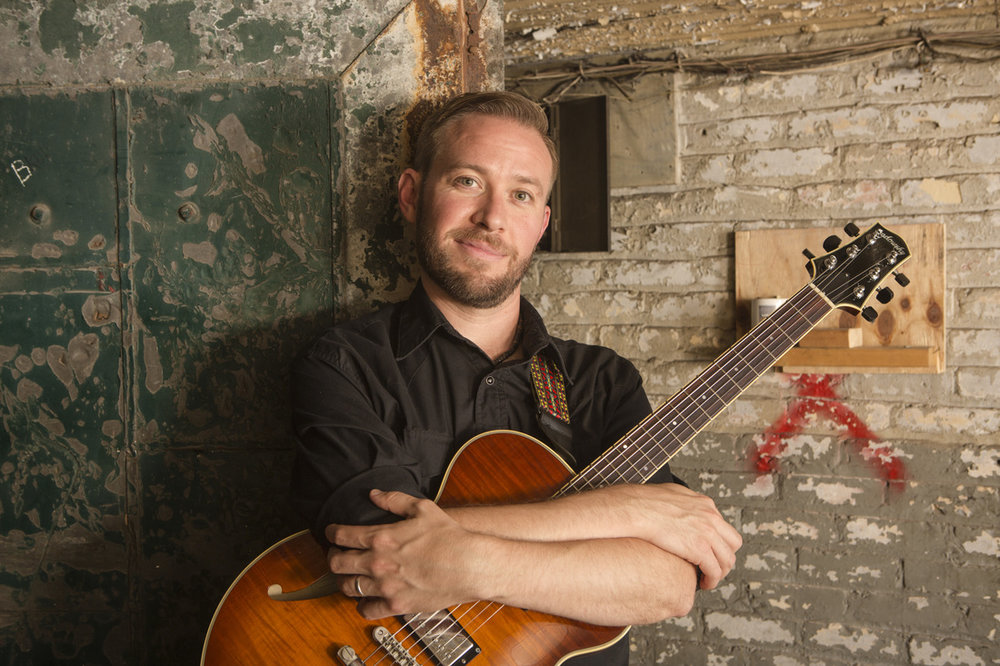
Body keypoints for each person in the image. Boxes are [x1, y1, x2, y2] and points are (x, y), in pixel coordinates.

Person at [290, 90, 742, 664]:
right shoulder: (344, 364)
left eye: (521, 194)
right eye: (467, 181)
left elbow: (667, 585)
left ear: (541, 224)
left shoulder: (603, 381)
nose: (493, 218)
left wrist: (462, 558)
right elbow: (390, 551)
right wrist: (628, 512)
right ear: (411, 195)